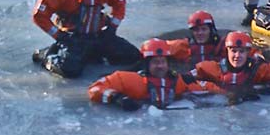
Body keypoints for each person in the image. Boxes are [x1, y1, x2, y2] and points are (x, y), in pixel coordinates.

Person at [88, 38, 222, 111]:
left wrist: (229, 94)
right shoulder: (129, 80)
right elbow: (94, 89)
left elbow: (206, 87)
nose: (160, 66)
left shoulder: (179, 82)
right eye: (155, 62)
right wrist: (116, 97)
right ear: (146, 64)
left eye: (163, 62)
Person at [182, 31, 270, 104]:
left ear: (248, 53)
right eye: (234, 51)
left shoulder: (257, 69)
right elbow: (184, 78)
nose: (237, 56)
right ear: (227, 51)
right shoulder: (213, 68)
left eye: (241, 52)